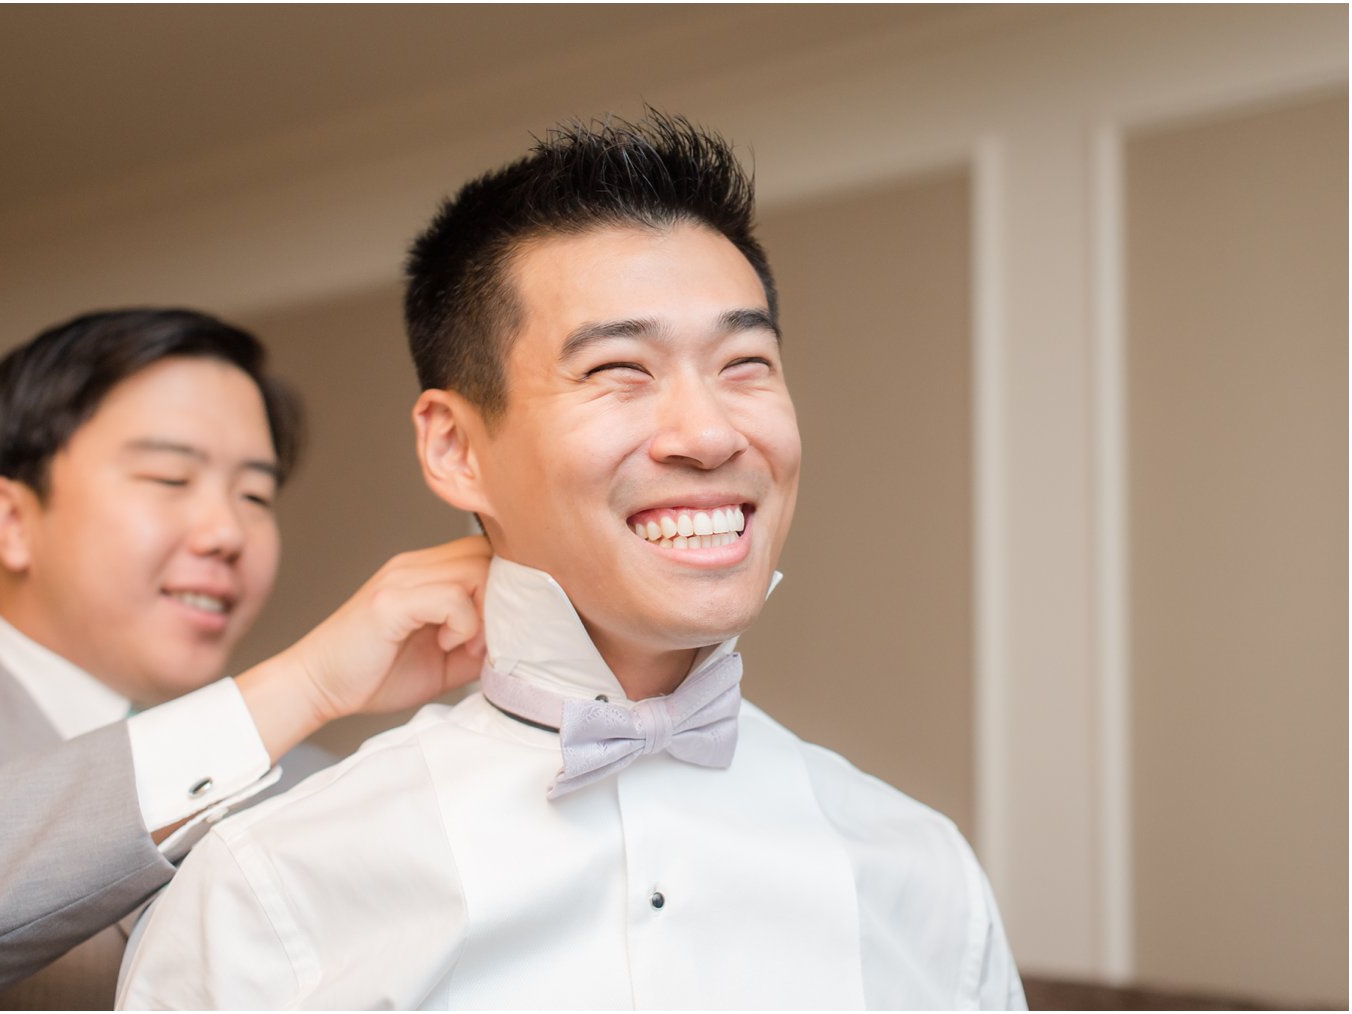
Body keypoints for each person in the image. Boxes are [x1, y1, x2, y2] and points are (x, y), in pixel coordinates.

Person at [117, 114, 1026, 1010]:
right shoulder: (271, 892)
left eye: (745, 362)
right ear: (455, 449)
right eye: (619, 370)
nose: (710, 433)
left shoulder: (923, 875)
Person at [0, 309, 491, 1010]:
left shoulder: (317, 786)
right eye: (170, 479)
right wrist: (302, 685)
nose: (226, 532)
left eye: (255, 495)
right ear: (11, 521)